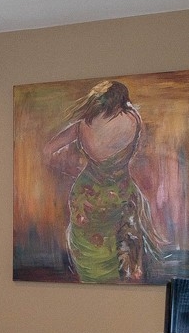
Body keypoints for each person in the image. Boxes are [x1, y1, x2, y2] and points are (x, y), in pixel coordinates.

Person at [44, 79, 167, 283]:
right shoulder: (134, 120)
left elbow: (48, 151)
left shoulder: (82, 125)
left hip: (86, 197)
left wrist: (70, 169)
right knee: (122, 248)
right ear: (121, 100)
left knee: (90, 250)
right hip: (119, 194)